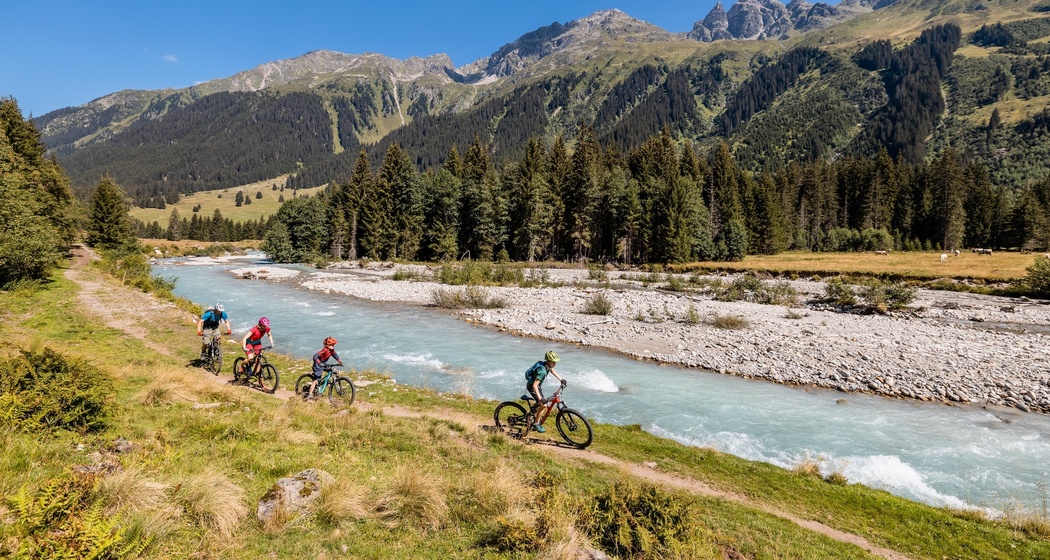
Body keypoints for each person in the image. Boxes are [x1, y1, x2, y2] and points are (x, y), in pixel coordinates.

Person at [525, 351, 566, 433]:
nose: (555, 363)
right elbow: (534, 386)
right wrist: (541, 399)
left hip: (537, 386)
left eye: (555, 362)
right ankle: (536, 424)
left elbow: (552, 371)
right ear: (548, 361)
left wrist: (561, 379)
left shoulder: (546, 365)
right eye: (553, 362)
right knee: (543, 405)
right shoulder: (542, 372)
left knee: (540, 402)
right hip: (532, 387)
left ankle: (530, 414)